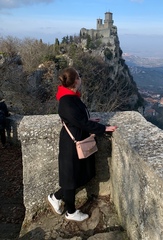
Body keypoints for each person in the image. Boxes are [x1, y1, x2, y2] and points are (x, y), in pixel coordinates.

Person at [47, 67, 117, 222]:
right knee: (71, 177)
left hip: (75, 140)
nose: (80, 78)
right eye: (78, 76)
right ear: (75, 81)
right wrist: (103, 128)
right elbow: (78, 121)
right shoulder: (67, 101)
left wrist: (90, 121)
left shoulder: (70, 96)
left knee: (75, 175)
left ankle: (56, 197)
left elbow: (77, 119)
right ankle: (70, 212)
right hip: (71, 144)